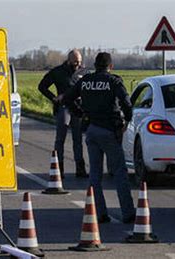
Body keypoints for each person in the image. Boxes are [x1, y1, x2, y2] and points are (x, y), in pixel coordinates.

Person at [62, 52, 135, 223]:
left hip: (91, 130)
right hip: (110, 130)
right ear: (111, 66)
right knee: (119, 173)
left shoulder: (85, 81)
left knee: (95, 174)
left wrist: (79, 113)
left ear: (95, 65)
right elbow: (126, 102)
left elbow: (67, 98)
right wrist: (127, 120)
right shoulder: (114, 81)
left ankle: (100, 213)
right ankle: (128, 213)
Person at [38, 49, 88, 179]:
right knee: (60, 139)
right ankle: (58, 169)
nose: (77, 64)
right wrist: (53, 98)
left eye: (79, 62)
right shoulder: (58, 71)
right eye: (75, 62)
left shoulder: (84, 72)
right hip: (63, 108)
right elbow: (42, 86)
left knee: (78, 140)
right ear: (69, 59)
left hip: (78, 108)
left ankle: (80, 169)